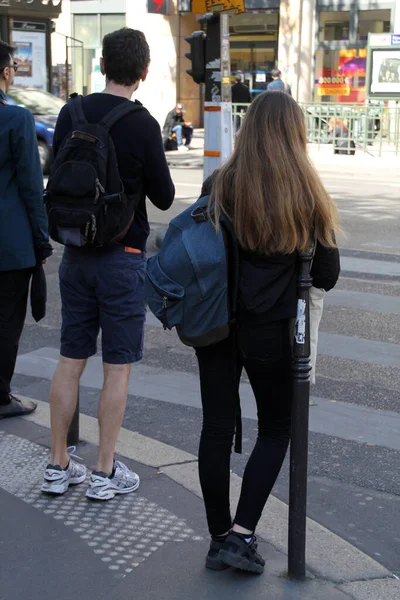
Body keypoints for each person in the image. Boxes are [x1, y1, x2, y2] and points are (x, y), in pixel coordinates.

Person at [195, 91, 340, 574]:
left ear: (248, 130)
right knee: (277, 428)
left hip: (216, 325)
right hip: (271, 331)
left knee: (216, 427)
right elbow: (327, 274)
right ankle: (241, 534)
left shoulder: (221, 184)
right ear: (295, 135)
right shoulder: (305, 193)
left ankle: (218, 538)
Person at [41, 28, 175, 500]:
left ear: (101, 65)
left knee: (70, 360)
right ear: (142, 72)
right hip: (123, 258)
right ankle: (103, 471)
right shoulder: (141, 123)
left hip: (75, 253)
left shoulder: (70, 112)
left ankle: (58, 466)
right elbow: (164, 196)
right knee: (116, 368)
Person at [0, 41, 52, 420]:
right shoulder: (15, 119)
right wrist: (41, 237)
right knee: (6, 321)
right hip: (9, 242)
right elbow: (32, 188)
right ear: (5, 73)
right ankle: (1, 396)